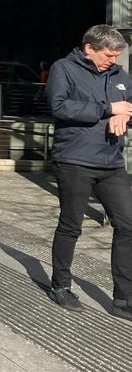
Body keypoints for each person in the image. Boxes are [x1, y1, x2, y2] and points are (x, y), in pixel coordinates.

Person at [46, 24, 132, 320]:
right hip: (74, 160)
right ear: (89, 49)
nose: (114, 60)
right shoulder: (64, 69)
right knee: (72, 225)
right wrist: (107, 109)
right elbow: (59, 107)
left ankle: (123, 299)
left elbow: (128, 108)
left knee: (128, 225)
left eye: (117, 55)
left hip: (111, 163)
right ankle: (61, 285)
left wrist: (124, 114)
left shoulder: (120, 75)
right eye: (109, 55)